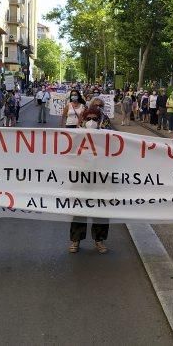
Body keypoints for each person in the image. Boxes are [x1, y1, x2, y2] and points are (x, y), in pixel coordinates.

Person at [69, 106, 109, 254]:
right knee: (79, 210)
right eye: (88, 119)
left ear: (100, 121)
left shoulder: (107, 137)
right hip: (81, 178)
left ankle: (99, 240)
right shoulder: (76, 135)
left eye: (95, 119)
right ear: (83, 120)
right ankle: (75, 240)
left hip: (101, 179)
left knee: (101, 210)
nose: (91, 121)